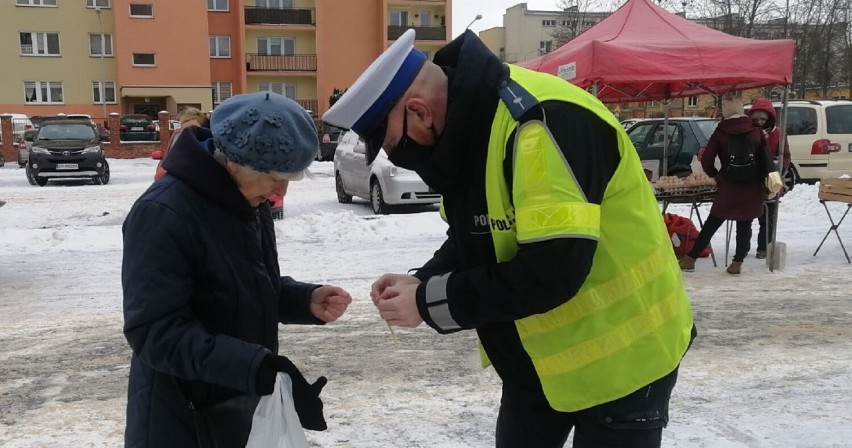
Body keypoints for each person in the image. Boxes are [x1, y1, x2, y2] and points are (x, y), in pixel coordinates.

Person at [323, 29, 695, 448]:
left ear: (420, 112)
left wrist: (429, 304)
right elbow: (476, 233)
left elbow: (552, 271)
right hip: (535, 362)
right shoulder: (467, 131)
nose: (398, 156)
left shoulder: (537, 124)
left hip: (625, 359)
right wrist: (424, 280)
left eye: (393, 144)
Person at [122, 91, 352, 447]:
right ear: (234, 161)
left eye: (291, 177)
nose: (282, 190)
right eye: (276, 176)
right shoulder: (164, 213)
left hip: (238, 409)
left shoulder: (248, 200)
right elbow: (155, 332)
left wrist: (303, 299)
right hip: (181, 421)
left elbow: (245, 287)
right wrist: (253, 366)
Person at [679, 96, 773, 274]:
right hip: (751, 186)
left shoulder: (721, 131)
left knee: (713, 222)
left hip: (729, 186)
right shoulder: (755, 132)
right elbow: (765, 160)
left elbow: (707, 160)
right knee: (745, 224)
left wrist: (717, 176)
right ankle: (737, 262)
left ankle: (690, 259)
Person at [747, 98, 791, 259]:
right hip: (751, 179)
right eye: (756, 119)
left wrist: (779, 170)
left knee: (768, 218)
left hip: (771, 179)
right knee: (747, 215)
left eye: (762, 119)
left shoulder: (778, 133)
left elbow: (786, 156)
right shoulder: (748, 132)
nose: (759, 122)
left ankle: (764, 247)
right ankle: (743, 247)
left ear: (769, 119)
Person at [154, 107, 210, 181]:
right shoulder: (173, 162)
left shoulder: (213, 158)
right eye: (184, 131)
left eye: (194, 130)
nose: (189, 134)